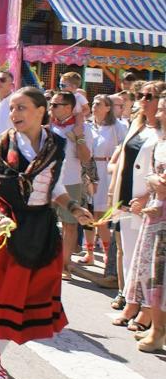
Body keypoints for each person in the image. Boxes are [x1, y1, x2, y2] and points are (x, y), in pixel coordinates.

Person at [0, 87, 93, 379]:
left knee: (17, 298)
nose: (14, 114)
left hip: (40, 229)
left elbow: (53, 187)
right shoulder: (0, 145)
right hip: (5, 224)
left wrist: (73, 206)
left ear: (40, 111)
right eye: (12, 109)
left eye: (21, 108)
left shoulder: (57, 145)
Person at [110, 82, 163, 330]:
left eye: (149, 96)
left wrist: (145, 197)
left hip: (148, 202)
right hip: (125, 197)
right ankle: (132, 301)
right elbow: (121, 158)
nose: (143, 99)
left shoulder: (162, 133)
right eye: (140, 95)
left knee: (147, 259)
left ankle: (146, 309)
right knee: (131, 255)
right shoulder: (137, 124)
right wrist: (113, 189)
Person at [128, 96, 166, 353]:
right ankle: (157, 328)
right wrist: (152, 186)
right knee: (156, 273)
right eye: (161, 108)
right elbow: (154, 174)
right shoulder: (160, 142)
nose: (160, 112)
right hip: (157, 214)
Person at [79, 95, 128, 270]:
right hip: (89, 170)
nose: (94, 106)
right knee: (87, 212)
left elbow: (124, 148)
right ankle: (90, 253)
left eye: (99, 104)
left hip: (106, 170)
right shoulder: (88, 126)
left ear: (108, 107)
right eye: (93, 103)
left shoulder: (117, 127)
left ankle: (108, 255)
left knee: (101, 215)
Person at [48, 91, 91, 280]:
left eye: (55, 105)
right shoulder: (50, 126)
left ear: (68, 108)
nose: (51, 107)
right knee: (44, 221)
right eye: (51, 104)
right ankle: (45, 261)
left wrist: (79, 138)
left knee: (69, 225)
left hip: (71, 182)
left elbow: (86, 158)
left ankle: (65, 266)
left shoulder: (83, 128)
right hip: (48, 182)